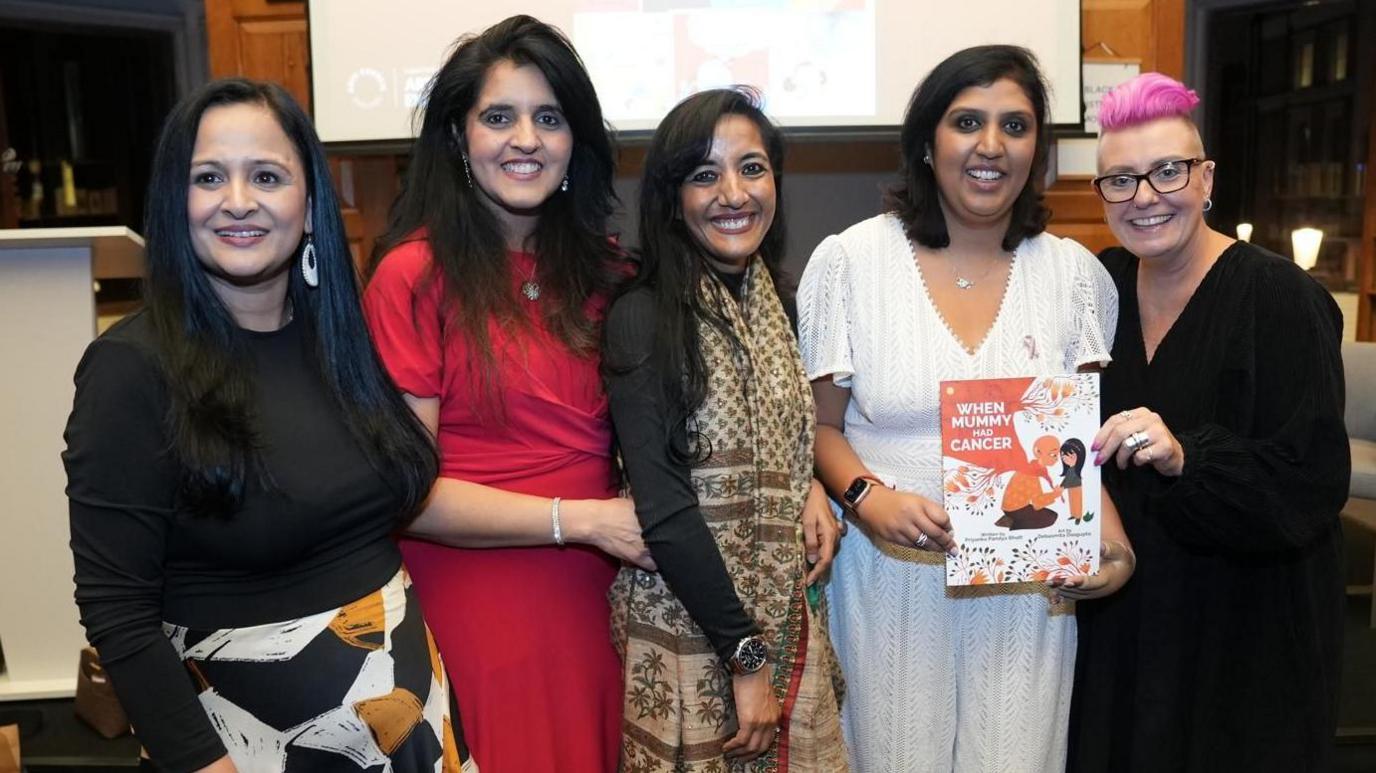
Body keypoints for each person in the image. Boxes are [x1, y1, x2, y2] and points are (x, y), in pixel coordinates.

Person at [63, 78, 473, 772]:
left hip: (410, 728)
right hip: (248, 748)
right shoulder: (129, 369)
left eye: (267, 175)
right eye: (209, 177)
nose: (239, 201)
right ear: (175, 203)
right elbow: (118, 614)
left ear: (310, 205)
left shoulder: (343, 342)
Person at [797, 45, 1136, 772]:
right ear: (927, 142)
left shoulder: (1074, 275)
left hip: (1027, 597)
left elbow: (1076, 445)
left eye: (1015, 125)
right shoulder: (852, 264)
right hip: (892, 582)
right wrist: (866, 496)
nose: (991, 145)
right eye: (967, 121)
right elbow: (821, 427)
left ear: (1037, 148)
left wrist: (1114, 549)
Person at [362, 15, 650, 772]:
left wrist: (809, 488)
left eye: (548, 118)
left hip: (603, 603)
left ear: (574, 144)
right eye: (499, 116)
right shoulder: (412, 276)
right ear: (459, 139)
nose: (526, 138)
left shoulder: (611, 276)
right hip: (474, 605)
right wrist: (582, 520)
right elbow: (408, 494)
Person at [1067, 72, 1349, 773]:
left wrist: (1187, 456)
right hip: (1125, 622)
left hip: (1244, 627)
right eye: (1122, 180)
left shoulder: (1281, 297)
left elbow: (1312, 481)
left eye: (1168, 171)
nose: (1147, 198)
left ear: (1206, 177)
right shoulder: (1097, 290)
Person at [604, 87, 848, 772]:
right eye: (705, 174)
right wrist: (746, 658)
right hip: (688, 634)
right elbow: (663, 505)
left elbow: (788, 437)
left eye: (752, 167)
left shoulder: (777, 306)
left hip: (784, 616)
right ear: (671, 195)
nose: (733, 193)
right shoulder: (643, 315)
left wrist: (806, 489)